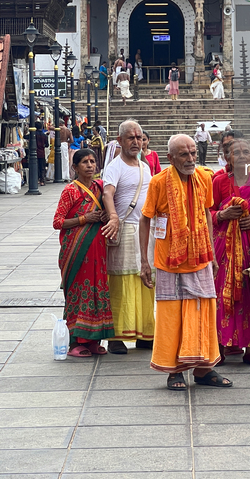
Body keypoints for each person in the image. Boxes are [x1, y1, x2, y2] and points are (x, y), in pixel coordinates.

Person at [140, 134, 232, 390]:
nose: (191, 158)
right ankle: (174, 371)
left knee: (204, 311)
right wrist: (144, 263)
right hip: (168, 260)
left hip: (200, 256)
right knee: (173, 316)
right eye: (184, 154)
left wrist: (212, 253)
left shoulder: (204, 177)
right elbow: (145, 219)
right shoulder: (158, 182)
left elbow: (206, 214)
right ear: (170, 158)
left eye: (193, 153)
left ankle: (204, 369)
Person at [53, 148, 119, 357]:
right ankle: (74, 342)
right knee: (79, 292)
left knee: (97, 291)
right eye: (85, 162)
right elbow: (58, 222)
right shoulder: (71, 191)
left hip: (98, 248)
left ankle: (93, 340)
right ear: (75, 167)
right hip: (76, 251)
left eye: (93, 162)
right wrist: (85, 219)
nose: (90, 165)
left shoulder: (101, 188)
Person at [212, 137, 250, 366]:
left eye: (246, 151)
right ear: (228, 157)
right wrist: (222, 215)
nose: (242, 156)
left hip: (248, 247)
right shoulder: (219, 181)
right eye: (237, 152)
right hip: (223, 248)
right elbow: (209, 213)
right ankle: (219, 346)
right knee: (221, 295)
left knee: (248, 295)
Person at [102, 121, 155, 354]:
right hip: (123, 230)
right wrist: (113, 217)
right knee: (121, 282)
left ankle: (145, 333)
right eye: (131, 138)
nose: (136, 142)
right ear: (120, 140)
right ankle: (116, 337)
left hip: (145, 231)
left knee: (146, 279)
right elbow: (107, 192)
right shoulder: (114, 166)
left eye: (139, 137)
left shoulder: (145, 166)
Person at [35, 121, 49, 185]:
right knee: (42, 167)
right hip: (42, 153)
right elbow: (47, 145)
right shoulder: (45, 136)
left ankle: (36, 179)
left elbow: (25, 136)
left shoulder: (33, 134)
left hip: (35, 153)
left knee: (36, 167)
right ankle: (42, 180)